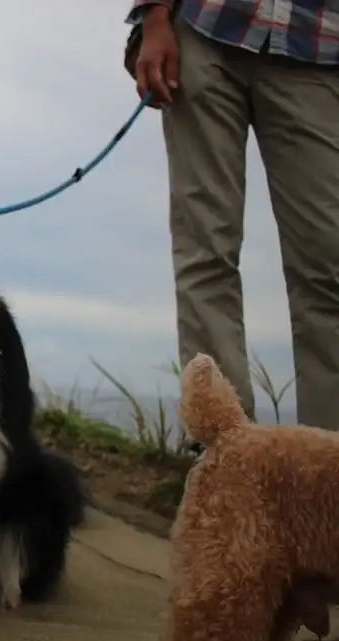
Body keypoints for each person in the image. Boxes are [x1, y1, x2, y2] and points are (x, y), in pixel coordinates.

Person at [125, 0, 339, 430]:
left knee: (328, 264)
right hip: (206, 29)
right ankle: (223, 459)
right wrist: (154, 16)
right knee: (205, 250)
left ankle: (327, 472)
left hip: (320, 45)